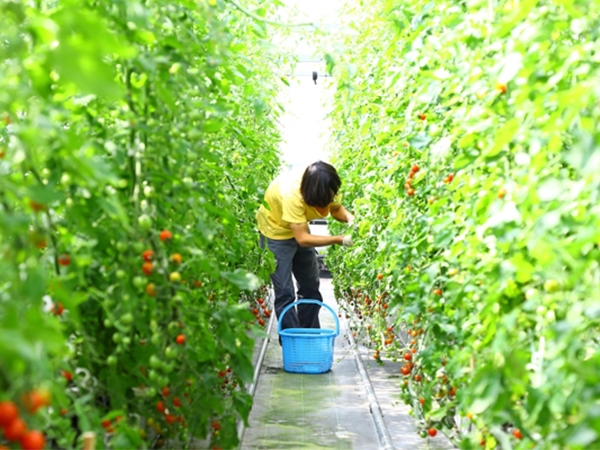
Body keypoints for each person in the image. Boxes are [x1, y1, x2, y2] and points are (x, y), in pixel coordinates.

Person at [256, 161, 354, 334]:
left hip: (299, 226)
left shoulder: (327, 185)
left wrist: (349, 218)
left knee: (310, 286)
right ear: (311, 195)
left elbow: (336, 208)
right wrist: (340, 239)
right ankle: (293, 341)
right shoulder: (291, 194)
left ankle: (310, 335)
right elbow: (302, 239)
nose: (329, 201)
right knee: (285, 293)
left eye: (331, 197)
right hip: (275, 232)